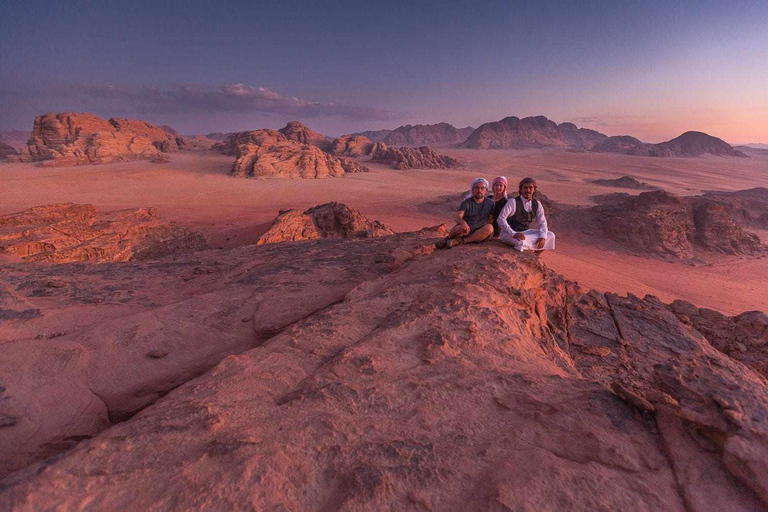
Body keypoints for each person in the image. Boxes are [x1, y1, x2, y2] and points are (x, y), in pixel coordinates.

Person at [498, 177, 556, 252]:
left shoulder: (537, 204)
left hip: (526, 233)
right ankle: (528, 247)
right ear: (521, 189)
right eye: (525, 188)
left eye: (530, 188)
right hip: (510, 233)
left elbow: (542, 222)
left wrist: (542, 236)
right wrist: (513, 233)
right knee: (521, 243)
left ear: (534, 189)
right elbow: (501, 219)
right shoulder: (513, 202)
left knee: (550, 235)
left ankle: (534, 253)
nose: (528, 190)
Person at [436, 178, 495, 248]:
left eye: (482, 188)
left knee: (489, 228)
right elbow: (458, 216)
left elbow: (491, 220)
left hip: (479, 231)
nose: (479, 190)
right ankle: (447, 239)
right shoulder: (467, 202)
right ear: (473, 189)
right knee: (459, 228)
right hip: (466, 230)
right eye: (477, 188)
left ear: (486, 190)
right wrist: (463, 223)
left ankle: (462, 241)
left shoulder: (490, 203)